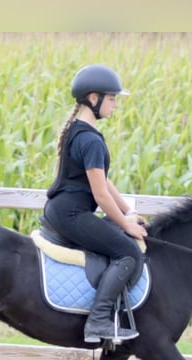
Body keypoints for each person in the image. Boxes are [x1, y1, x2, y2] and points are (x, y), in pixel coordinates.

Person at [43, 64, 147, 344]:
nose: (115, 105)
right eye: (112, 98)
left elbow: (104, 182)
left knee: (120, 234)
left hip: (64, 211)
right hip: (71, 215)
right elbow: (100, 196)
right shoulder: (90, 140)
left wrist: (128, 212)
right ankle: (98, 321)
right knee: (128, 253)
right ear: (93, 98)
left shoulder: (78, 131)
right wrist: (126, 225)